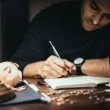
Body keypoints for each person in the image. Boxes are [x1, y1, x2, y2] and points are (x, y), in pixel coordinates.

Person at [11, 0, 110, 78]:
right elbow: (18, 65)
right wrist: (41, 68)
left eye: (108, 16)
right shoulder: (51, 18)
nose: (96, 21)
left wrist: (77, 67)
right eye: (94, 7)